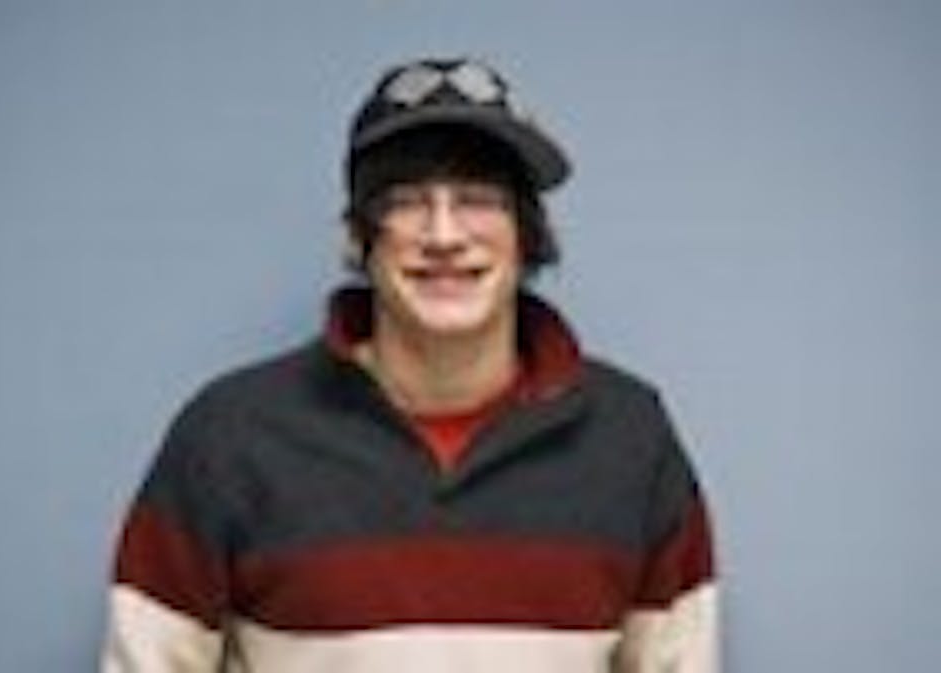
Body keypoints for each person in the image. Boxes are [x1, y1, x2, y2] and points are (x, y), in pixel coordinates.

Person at [102, 56, 719, 673]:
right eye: (406, 201)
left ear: (527, 233)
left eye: (478, 198)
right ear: (359, 236)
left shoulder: (630, 437)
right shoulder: (230, 436)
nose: (443, 234)